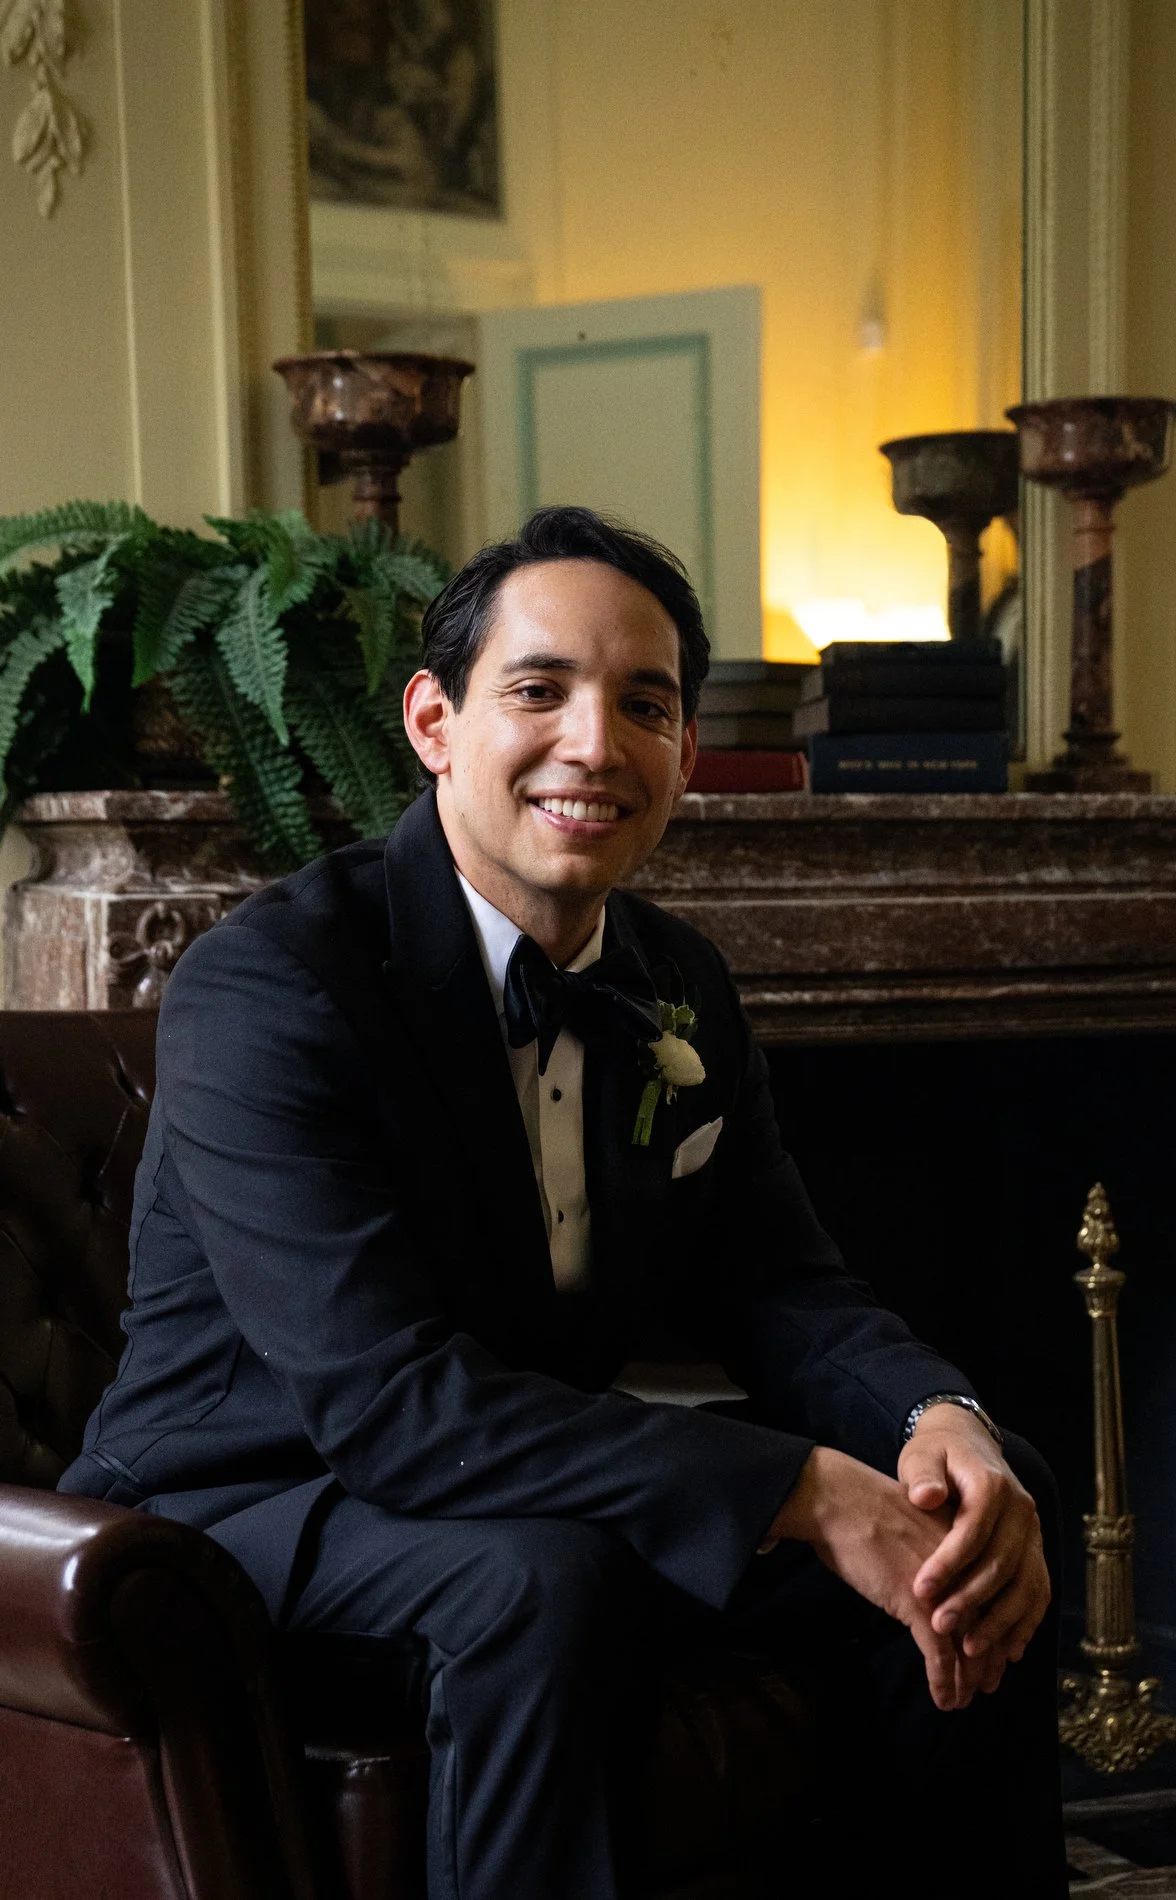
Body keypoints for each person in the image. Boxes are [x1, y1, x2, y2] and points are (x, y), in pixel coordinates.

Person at [61, 506, 1067, 1898]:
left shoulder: (673, 980)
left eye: (642, 705)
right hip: (243, 1504)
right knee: (535, 1585)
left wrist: (929, 1422)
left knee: (984, 1511)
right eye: (538, 690)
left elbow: (781, 1285)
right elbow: (388, 1405)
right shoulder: (272, 983)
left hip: (527, 1482)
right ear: (433, 722)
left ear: (683, 755)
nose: (593, 745)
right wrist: (793, 1489)